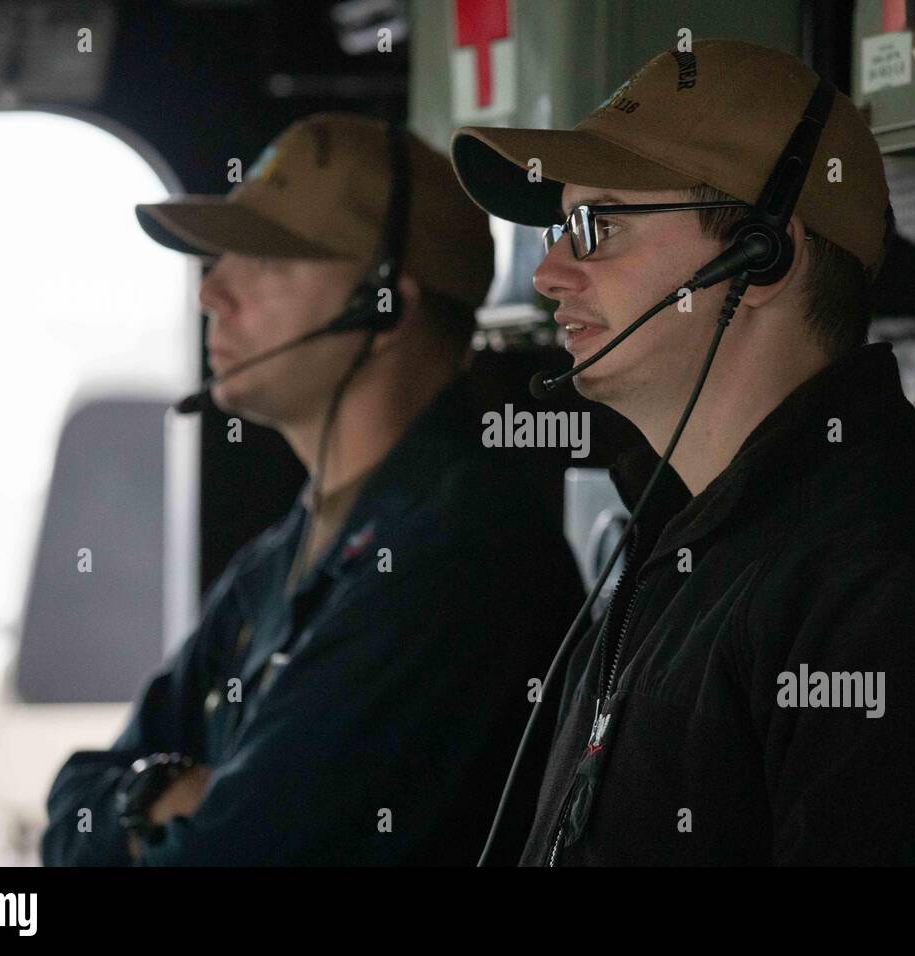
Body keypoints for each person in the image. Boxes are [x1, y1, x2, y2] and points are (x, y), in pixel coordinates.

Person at [450, 40, 915, 865]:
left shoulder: (898, 590)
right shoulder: (681, 539)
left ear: (762, 256)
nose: (548, 272)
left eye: (596, 226)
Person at [41, 112, 585, 865]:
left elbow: (227, 860)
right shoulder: (282, 557)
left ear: (384, 306)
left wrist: (155, 814)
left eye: (266, 262)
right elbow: (69, 808)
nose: (214, 291)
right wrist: (152, 799)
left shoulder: (457, 557)